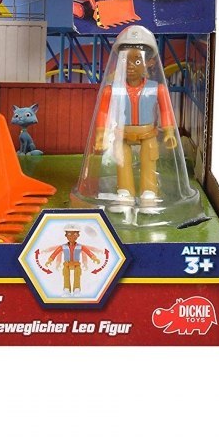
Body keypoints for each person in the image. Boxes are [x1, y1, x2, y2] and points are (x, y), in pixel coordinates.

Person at [94, 45, 177, 207]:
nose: (130, 66)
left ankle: (149, 192)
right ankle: (125, 192)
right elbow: (103, 113)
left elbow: (166, 110)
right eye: (125, 61)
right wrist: (100, 134)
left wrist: (169, 132)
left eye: (137, 61)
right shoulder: (111, 90)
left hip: (147, 134)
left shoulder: (157, 88)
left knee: (149, 160)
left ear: (149, 63)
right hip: (122, 134)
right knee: (122, 161)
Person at [44, 224, 100, 294]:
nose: (72, 236)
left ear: (78, 235)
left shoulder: (80, 246)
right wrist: (50, 260)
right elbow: (55, 253)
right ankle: (66, 288)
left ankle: (77, 288)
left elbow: (88, 252)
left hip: (76, 264)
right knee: (66, 275)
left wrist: (94, 258)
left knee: (77, 275)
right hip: (66, 264)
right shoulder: (63, 246)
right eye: (69, 234)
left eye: (75, 234)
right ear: (66, 235)